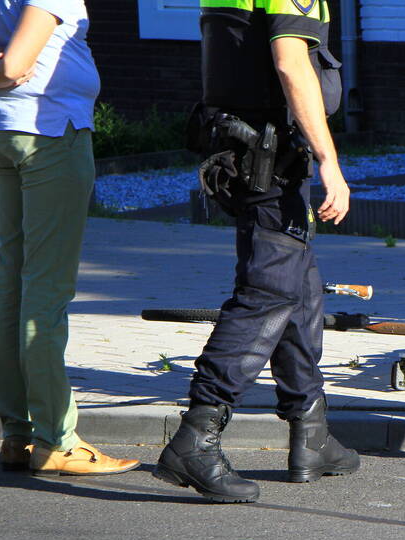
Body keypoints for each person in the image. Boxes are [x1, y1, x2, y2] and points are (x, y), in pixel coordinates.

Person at [152, 0, 358, 503]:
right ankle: (196, 438)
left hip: (249, 153)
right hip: (270, 159)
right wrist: (330, 160)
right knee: (267, 294)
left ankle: (312, 432)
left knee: (300, 291)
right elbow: (290, 63)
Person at [0, 0, 138, 476]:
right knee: (46, 290)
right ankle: (56, 440)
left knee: (12, 284)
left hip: (2, 129)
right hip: (51, 132)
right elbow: (12, 65)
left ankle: (18, 434)